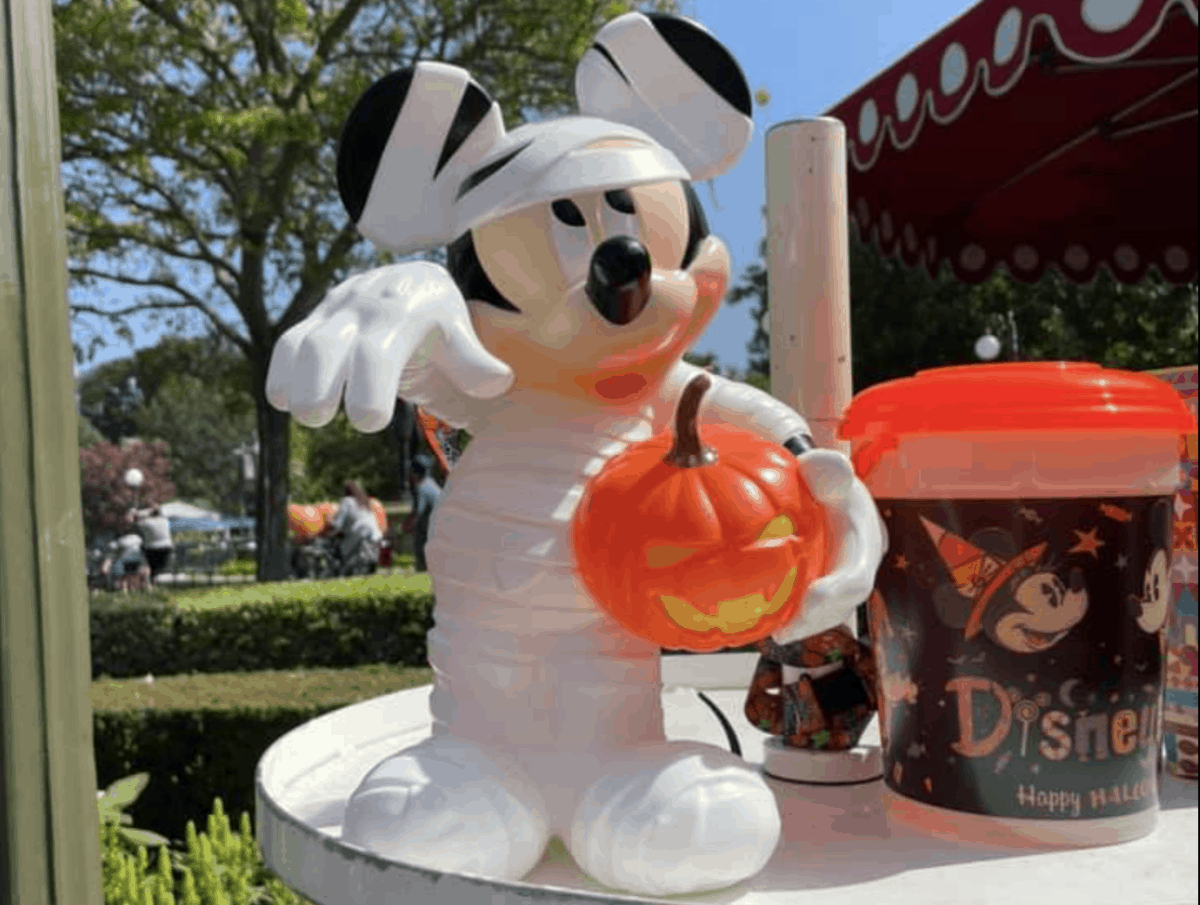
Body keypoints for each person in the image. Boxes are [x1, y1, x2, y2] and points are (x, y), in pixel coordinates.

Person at [327, 480, 383, 575]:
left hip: (360, 534)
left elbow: (338, 524)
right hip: (375, 536)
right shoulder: (365, 502)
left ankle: (339, 572)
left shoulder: (347, 501)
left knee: (342, 550)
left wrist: (329, 526)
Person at [402, 455, 441, 573]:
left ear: (414, 473)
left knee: (420, 533)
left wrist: (405, 527)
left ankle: (423, 567)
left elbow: (418, 513)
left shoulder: (422, 487)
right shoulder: (430, 483)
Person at [133, 505, 174, 584]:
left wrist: (143, 512)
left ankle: (150, 582)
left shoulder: (145, 523)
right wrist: (152, 510)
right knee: (162, 568)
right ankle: (156, 582)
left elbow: (134, 520)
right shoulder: (164, 521)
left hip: (152, 548)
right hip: (167, 546)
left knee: (151, 567)